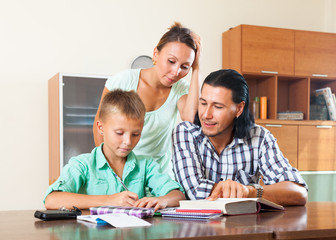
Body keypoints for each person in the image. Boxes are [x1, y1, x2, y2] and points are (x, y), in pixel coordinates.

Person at [172, 69, 308, 206]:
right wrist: (235, 192)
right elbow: (195, 192)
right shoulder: (186, 133)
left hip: (245, 225)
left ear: (239, 109)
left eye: (217, 107)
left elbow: (299, 193)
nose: (206, 114)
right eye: (203, 103)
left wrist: (249, 191)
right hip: (196, 226)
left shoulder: (259, 138)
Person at [45, 89, 185, 211]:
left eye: (136, 134)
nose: (128, 141)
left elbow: (178, 196)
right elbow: (51, 200)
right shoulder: (82, 165)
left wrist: (163, 200)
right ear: (101, 128)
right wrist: (109, 200)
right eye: (119, 133)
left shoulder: (146, 165)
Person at [93, 22, 201, 178]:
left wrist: (196, 69)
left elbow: (191, 118)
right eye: (171, 61)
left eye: (185, 67)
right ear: (156, 54)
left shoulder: (181, 89)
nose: (176, 72)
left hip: (159, 177)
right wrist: (110, 171)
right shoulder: (123, 81)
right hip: (122, 173)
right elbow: (100, 126)